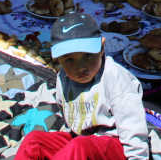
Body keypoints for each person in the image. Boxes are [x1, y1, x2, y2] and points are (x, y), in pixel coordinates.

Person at [15, 12, 149, 160]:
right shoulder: (63, 77)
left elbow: (132, 127)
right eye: (70, 60)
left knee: (80, 145)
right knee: (34, 141)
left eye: (88, 56)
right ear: (59, 59)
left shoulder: (116, 78)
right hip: (81, 141)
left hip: (115, 145)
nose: (81, 67)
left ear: (101, 48)